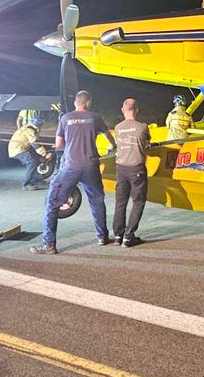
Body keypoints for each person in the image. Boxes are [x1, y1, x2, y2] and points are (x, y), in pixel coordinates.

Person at [30, 90, 117, 255]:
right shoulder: (95, 117)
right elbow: (108, 136)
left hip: (71, 166)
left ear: (76, 103)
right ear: (88, 102)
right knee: (97, 201)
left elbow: (60, 145)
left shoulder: (65, 118)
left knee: (52, 203)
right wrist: (113, 147)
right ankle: (102, 237)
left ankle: (49, 245)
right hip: (91, 165)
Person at [112, 98, 152, 247]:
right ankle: (129, 236)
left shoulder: (117, 127)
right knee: (138, 201)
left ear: (122, 110)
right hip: (137, 169)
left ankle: (118, 235)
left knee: (120, 202)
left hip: (121, 168)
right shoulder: (143, 127)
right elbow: (147, 144)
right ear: (137, 110)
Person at [8, 114, 51, 190]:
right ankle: (26, 184)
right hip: (17, 150)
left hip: (18, 148)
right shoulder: (30, 131)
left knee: (36, 159)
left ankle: (36, 180)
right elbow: (35, 144)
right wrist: (45, 154)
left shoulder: (28, 128)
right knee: (32, 162)